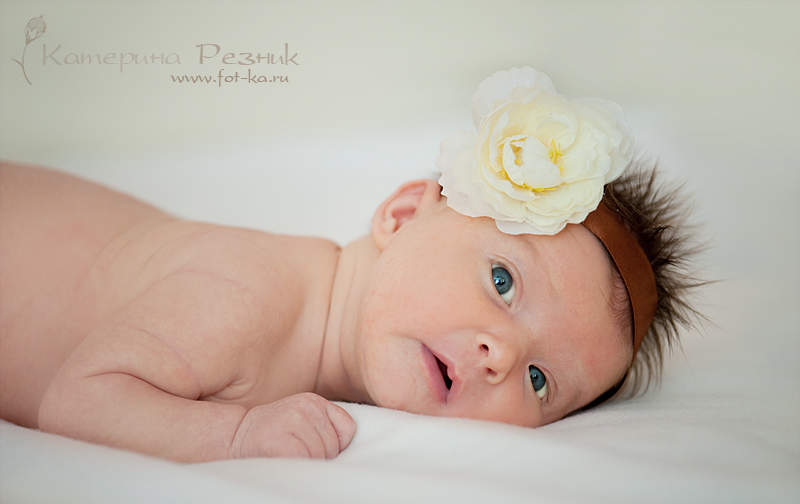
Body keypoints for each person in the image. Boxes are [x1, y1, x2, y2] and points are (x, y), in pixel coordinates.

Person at [0, 68, 703, 462]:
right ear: (402, 214)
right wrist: (235, 436)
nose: (502, 354)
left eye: (540, 380)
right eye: (502, 281)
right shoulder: (251, 292)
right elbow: (77, 400)